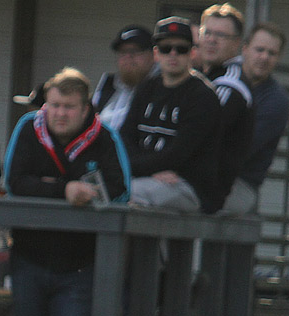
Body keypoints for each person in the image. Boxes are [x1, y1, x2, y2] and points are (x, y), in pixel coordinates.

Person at [3, 67, 130, 316]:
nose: (58, 113)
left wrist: (86, 193)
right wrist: (64, 189)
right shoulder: (28, 128)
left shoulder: (104, 137)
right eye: (54, 104)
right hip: (28, 259)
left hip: (80, 266)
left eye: (68, 107)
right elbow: (13, 181)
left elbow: (121, 190)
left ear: (85, 107)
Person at [120, 17, 222, 214]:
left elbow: (178, 155)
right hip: (147, 178)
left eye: (181, 49)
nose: (173, 54)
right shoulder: (146, 88)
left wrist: (134, 169)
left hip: (187, 186)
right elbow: (125, 138)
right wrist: (143, 170)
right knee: (96, 189)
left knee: (125, 193)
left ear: (192, 53)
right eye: (166, 48)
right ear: (156, 53)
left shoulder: (203, 96)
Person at [225, 22, 289, 214]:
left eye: (272, 53)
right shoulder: (225, 75)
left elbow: (242, 149)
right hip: (204, 173)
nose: (264, 57)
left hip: (240, 184)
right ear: (245, 49)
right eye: (259, 49)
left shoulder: (276, 101)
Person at [197, 3, 254, 212]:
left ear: (236, 43)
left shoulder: (230, 84)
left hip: (207, 193)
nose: (211, 40)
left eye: (221, 35)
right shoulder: (201, 76)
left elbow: (200, 136)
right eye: (208, 32)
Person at [92, 25, 157, 131]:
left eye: (135, 51)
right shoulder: (108, 85)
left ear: (153, 55)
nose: (128, 57)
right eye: (123, 52)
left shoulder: (160, 88)